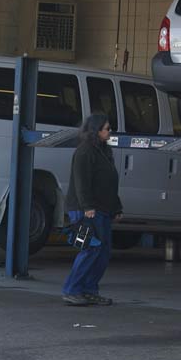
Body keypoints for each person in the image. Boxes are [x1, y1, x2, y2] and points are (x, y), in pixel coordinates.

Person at [61, 113, 122, 306]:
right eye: (106, 128)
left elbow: (110, 182)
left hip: (101, 209)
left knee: (102, 252)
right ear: (96, 130)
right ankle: (72, 290)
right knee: (90, 249)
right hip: (85, 210)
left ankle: (89, 289)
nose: (109, 131)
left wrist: (116, 206)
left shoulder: (104, 151)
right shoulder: (85, 152)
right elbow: (81, 182)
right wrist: (87, 207)